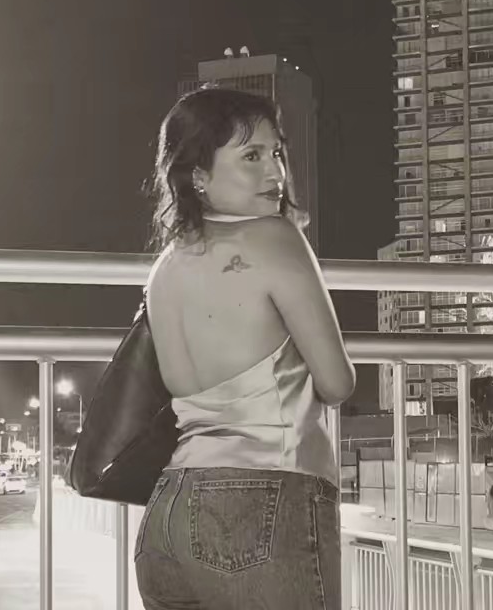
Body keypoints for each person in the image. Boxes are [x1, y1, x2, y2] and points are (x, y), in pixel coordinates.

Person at [134, 88, 356, 609]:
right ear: (199, 176)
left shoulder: (165, 267)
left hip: (168, 514)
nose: (275, 171)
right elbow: (337, 383)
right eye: (251, 156)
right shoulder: (275, 239)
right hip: (261, 506)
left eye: (276, 152)